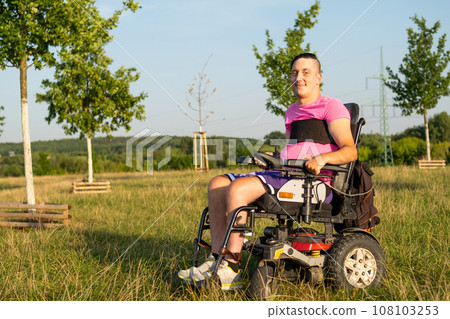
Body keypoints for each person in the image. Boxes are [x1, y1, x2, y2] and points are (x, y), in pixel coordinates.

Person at [178, 53, 357, 290]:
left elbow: (349, 151)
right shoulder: (292, 112)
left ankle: (231, 267)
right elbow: (296, 152)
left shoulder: (331, 106)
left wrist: (322, 158)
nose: (299, 78)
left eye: (306, 72)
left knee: (239, 189)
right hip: (288, 175)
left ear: (318, 78)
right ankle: (216, 260)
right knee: (217, 183)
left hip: (315, 184)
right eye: (295, 73)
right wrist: (271, 161)